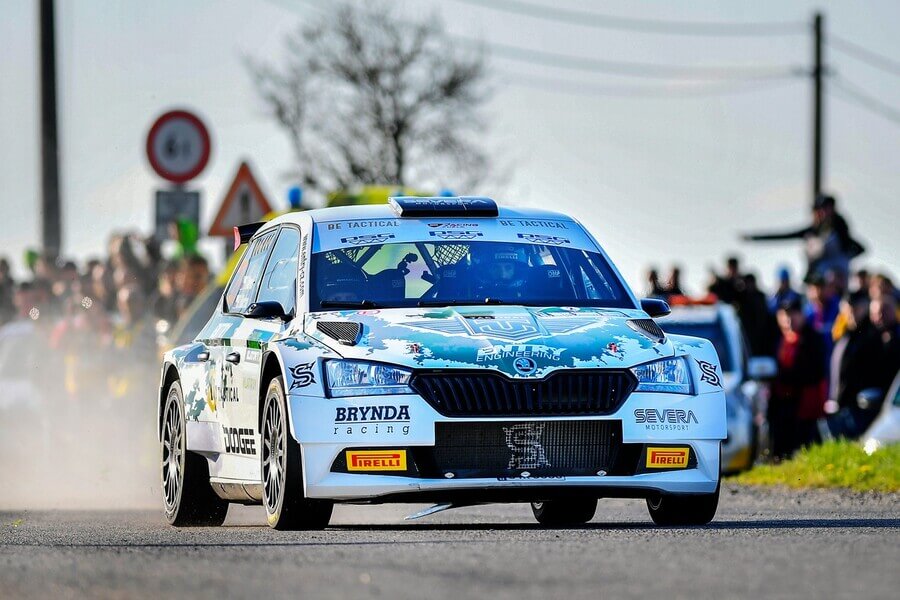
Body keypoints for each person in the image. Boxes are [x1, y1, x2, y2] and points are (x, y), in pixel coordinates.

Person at [742, 193, 863, 281]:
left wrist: (842, 260)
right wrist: (754, 238)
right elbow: (786, 235)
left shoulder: (839, 228)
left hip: (835, 275)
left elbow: (859, 248)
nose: (824, 213)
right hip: (818, 275)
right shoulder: (814, 230)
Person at [769, 298, 827, 458]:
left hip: (804, 404)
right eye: (784, 316)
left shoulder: (812, 338)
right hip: (782, 403)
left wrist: (786, 376)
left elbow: (814, 372)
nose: (788, 320)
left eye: (792, 315)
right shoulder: (779, 339)